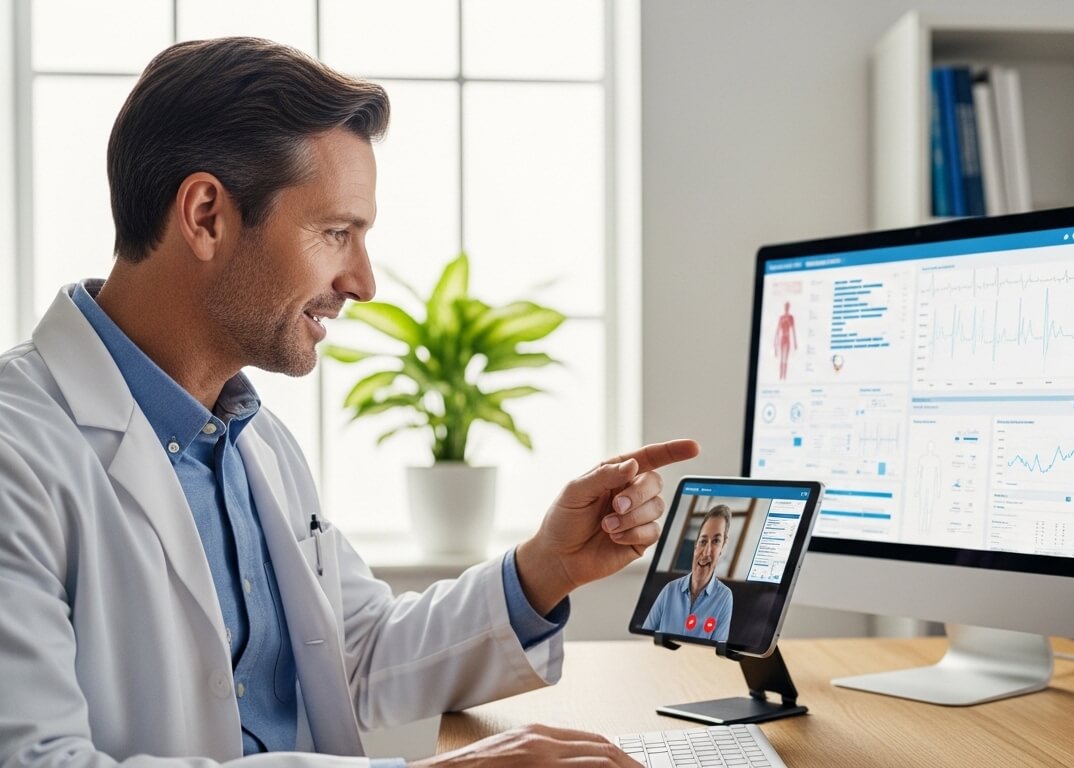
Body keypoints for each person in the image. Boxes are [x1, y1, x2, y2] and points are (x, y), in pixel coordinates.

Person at [0, 37, 699, 768]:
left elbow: (358, 653)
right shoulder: (18, 453)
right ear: (206, 215)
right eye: (337, 233)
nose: (363, 281)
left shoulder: (250, 441)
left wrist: (546, 568)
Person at [641, 505, 734, 643]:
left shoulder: (725, 597)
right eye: (703, 541)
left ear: (723, 547)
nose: (706, 552)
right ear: (695, 546)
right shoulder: (669, 590)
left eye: (716, 541)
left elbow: (714, 652)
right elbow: (645, 638)